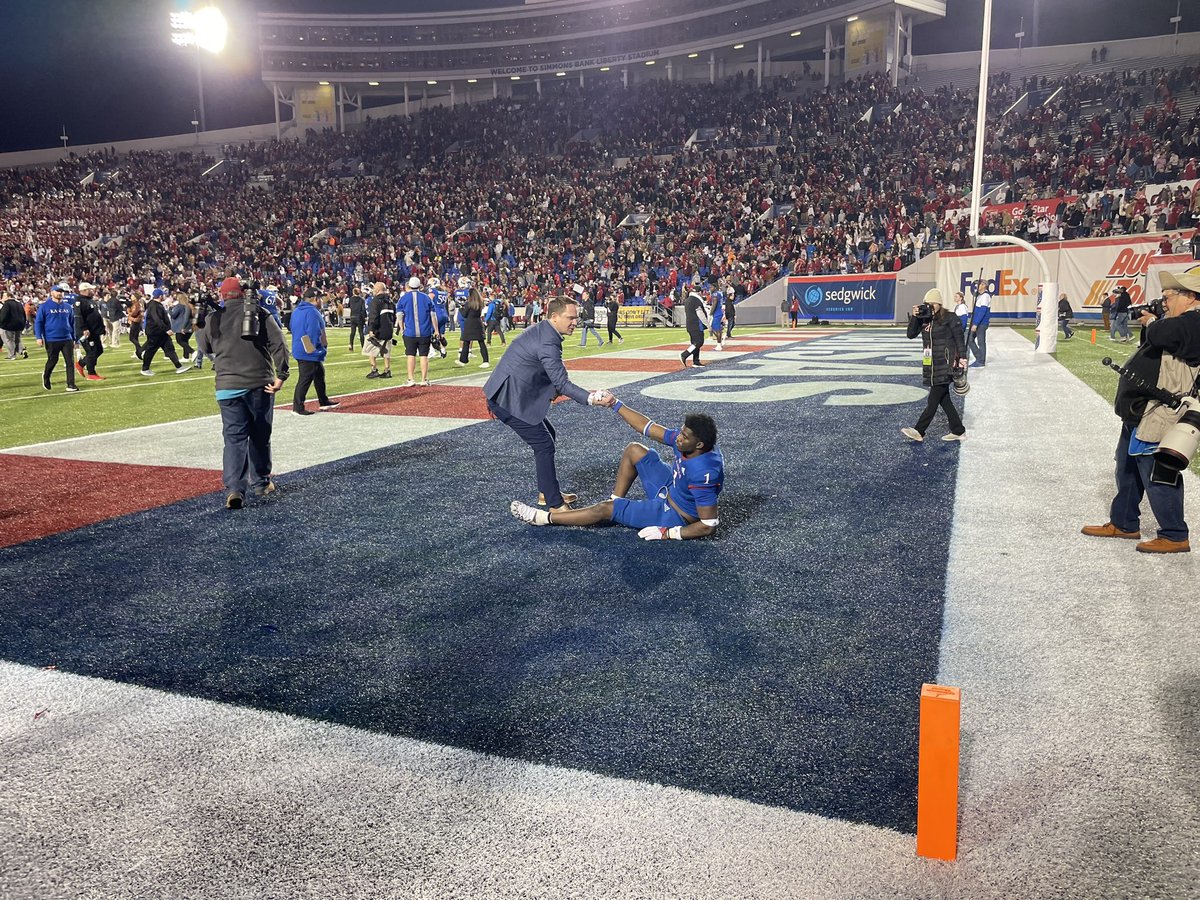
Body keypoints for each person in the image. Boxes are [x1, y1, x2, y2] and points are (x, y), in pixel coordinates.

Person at [1082, 265, 1200, 553]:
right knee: (1127, 467)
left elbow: (1163, 334)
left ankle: (1174, 534)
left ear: (1192, 297)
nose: (1165, 302)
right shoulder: (1181, 320)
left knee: (1159, 472)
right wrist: (1155, 322)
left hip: (1162, 412)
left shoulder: (1194, 321)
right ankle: (1124, 523)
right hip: (1142, 410)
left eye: (1170, 296)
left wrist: (1151, 322)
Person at [510, 399, 722, 542]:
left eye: (684, 437)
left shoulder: (704, 473)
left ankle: (544, 518)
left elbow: (708, 524)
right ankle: (616, 505)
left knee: (602, 508)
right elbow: (647, 427)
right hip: (672, 488)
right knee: (635, 450)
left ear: (700, 445)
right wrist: (615, 404)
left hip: (675, 514)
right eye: (681, 433)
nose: (678, 437)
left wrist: (671, 533)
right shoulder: (692, 443)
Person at [484, 294, 614, 512]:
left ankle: (547, 491)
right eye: (570, 318)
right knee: (543, 444)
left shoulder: (545, 331)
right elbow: (562, 382)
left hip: (511, 392)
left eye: (576, 318)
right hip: (506, 397)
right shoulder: (548, 340)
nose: (575, 322)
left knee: (548, 436)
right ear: (554, 317)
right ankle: (554, 504)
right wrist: (592, 398)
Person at [195, 276, 290, 510]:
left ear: (222, 295)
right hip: (259, 384)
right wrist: (282, 375)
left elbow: (204, 347)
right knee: (259, 435)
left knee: (234, 439)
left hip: (227, 387)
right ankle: (261, 482)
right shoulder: (259, 313)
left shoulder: (212, 317)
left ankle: (236, 489)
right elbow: (279, 344)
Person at [901, 289, 968, 442]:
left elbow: (959, 340)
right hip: (931, 364)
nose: (930, 306)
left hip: (945, 363)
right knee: (944, 399)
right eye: (927, 304)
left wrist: (962, 360)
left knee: (933, 400)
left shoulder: (950, 318)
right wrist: (915, 317)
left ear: (939, 304)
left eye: (933, 304)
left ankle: (919, 431)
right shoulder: (924, 318)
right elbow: (910, 335)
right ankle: (958, 430)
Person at [290, 286, 339, 415]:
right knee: (305, 378)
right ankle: (298, 407)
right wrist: (317, 350)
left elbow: (293, 328)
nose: (322, 301)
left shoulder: (297, 311)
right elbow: (314, 332)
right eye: (320, 298)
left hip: (299, 346)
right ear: (315, 299)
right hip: (308, 350)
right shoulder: (313, 312)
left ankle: (323, 401)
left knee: (318, 374)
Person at [34, 282, 79, 393]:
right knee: (53, 360)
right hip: (51, 339)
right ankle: (46, 376)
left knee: (70, 362)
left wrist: (75, 339)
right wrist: (39, 337)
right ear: (52, 292)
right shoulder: (44, 306)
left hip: (67, 338)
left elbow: (72, 323)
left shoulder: (68, 307)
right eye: (58, 291)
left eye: (62, 292)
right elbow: (39, 322)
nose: (60, 294)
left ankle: (71, 384)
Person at [397, 275, 439, 386]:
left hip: (409, 332)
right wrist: (436, 330)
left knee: (410, 355)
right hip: (425, 331)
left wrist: (402, 329)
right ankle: (424, 379)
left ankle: (411, 379)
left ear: (409, 286)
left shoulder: (403, 298)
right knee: (424, 356)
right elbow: (433, 316)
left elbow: (400, 316)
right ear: (420, 286)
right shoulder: (426, 298)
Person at [140, 288, 189, 376]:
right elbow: (157, 319)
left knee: (169, 349)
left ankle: (179, 367)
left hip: (160, 332)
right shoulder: (154, 305)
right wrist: (166, 329)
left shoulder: (154, 304)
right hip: (155, 332)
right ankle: (145, 368)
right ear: (160, 296)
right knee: (151, 350)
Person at [73, 281, 106, 381]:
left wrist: (102, 329)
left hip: (94, 331)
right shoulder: (79, 302)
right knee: (92, 351)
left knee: (99, 350)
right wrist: (84, 328)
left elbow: (95, 316)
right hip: (87, 332)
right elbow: (78, 317)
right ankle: (89, 371)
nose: (93, 291)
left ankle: (83, 365)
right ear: (84, 290)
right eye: (91, 289)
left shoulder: (90, 300)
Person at [365, 280, 395, 380]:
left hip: (378, 330)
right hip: (389, 329)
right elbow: (393, 316)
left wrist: (371, 330)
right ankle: (387, 370)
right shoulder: (390, 301)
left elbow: (373, 316)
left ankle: (374, 370)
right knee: (386, 352)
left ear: (377, 289)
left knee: (370, 350)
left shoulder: (375, 301)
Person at [456, 287, 490, 369]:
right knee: (481, 343)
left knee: (466, 343)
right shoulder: (480, 302)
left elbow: (464, 314)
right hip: (478, 323)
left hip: (470, 324)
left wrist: (460, 307)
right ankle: (486, 361)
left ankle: (463, 360)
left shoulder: (469, 303)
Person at [680, 288, 709, 368]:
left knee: (695, 343)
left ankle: (696, 361)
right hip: (696, 324)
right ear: (699, 292)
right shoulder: (696, 300)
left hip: (690, 324)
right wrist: (707, 325)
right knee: (699, 342)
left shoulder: (688, 300)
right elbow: (700, 314)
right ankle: (685, 354)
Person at [967, 279, 991, 367]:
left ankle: (981, 361)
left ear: (984, 285)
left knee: (981, 342)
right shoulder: (979, 296)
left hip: (981, 323)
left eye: (979, 284)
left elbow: (982, 311)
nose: (977, 286)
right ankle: (979, 357)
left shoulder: (985, 296)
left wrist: (975, 324)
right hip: (977, 322)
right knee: (970, 339)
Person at [0, 289, 28, 360]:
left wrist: (1, 324)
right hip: (19, 325)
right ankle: (22, 350)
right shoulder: (19, 303)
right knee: (17, 340)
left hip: (8, 325)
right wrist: (23, 324)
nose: (2, 298)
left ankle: (12, 355)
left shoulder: (7, 304)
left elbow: (3, 315)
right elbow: (24, 314)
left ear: (9, 296)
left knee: (8, 340)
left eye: (4, 296)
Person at [428, 276, 450, 359]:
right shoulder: (443, 292)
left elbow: (429, 301)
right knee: (440, 334)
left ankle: (432, 351)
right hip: (444, 313)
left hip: (436, 314)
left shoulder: (432, 291)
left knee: (430, 334)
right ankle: (443, 348)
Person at [169, 294, 194, 360]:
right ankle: (186, 357)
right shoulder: (189, 305)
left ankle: (192, 352)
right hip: (189, 326)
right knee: (185, 341)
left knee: (180, 341)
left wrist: (170, 309)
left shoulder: (179, 306)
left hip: (180, 326)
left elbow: (173, 315)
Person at [347, 286, 367, 351]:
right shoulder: (362, 300)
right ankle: (363, 346)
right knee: (361, 332)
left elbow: (349, 306)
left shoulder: (350, 299)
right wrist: (365, 317)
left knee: (352, 332)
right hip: (359, 317)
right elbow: (363, 310)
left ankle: (351, 345)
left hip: (352, 316)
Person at [127, 293, 144, 359]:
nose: (131, 297)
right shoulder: (138, 303)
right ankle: (138, 353)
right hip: (137, 322)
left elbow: (134, 313)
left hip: (135, 322)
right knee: (135, 338)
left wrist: (128, 312)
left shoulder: (136, 304)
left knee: (131, 338)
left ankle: (140, 349)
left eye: (132, 296)